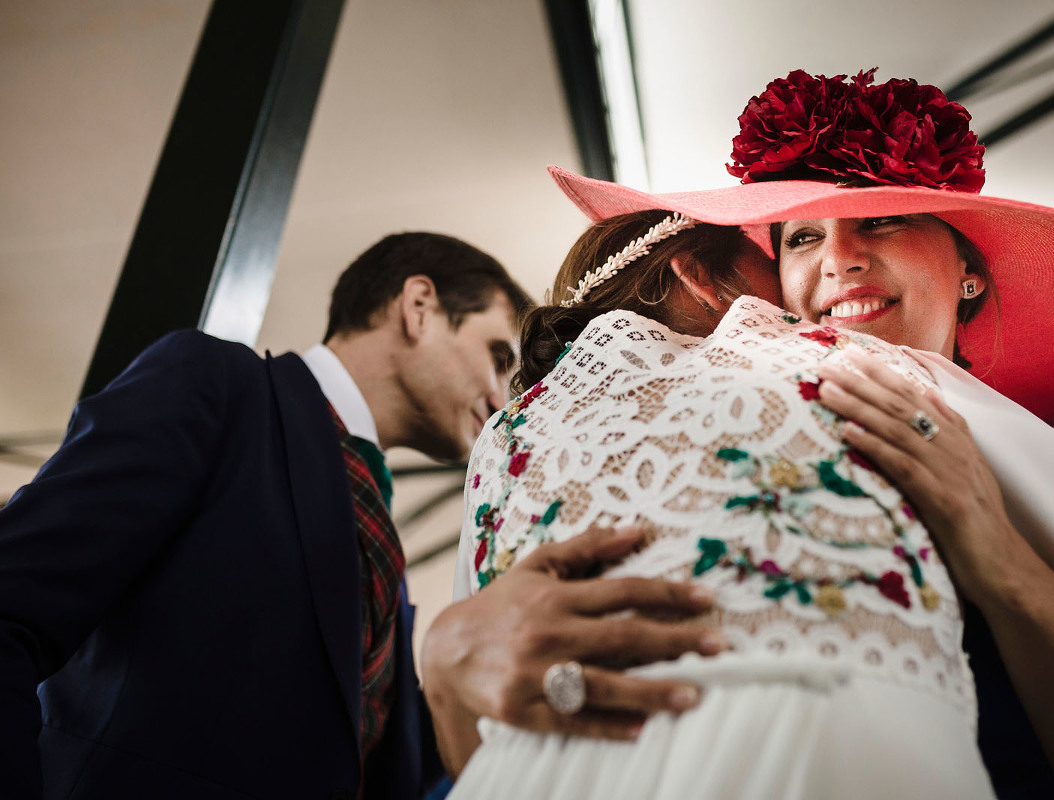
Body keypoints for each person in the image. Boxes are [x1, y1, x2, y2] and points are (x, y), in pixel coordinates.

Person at [446, 69, 1054, 799]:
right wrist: (448, 662)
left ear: (969, 268)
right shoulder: (829, 378)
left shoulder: (511, 447)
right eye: (799, 239)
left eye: (882, 219)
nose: (839, 258)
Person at [0, 231, 719, 800]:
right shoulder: (214, 386)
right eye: (499, 357)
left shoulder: (388, 545)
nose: (507, 400)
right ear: (419, 306)